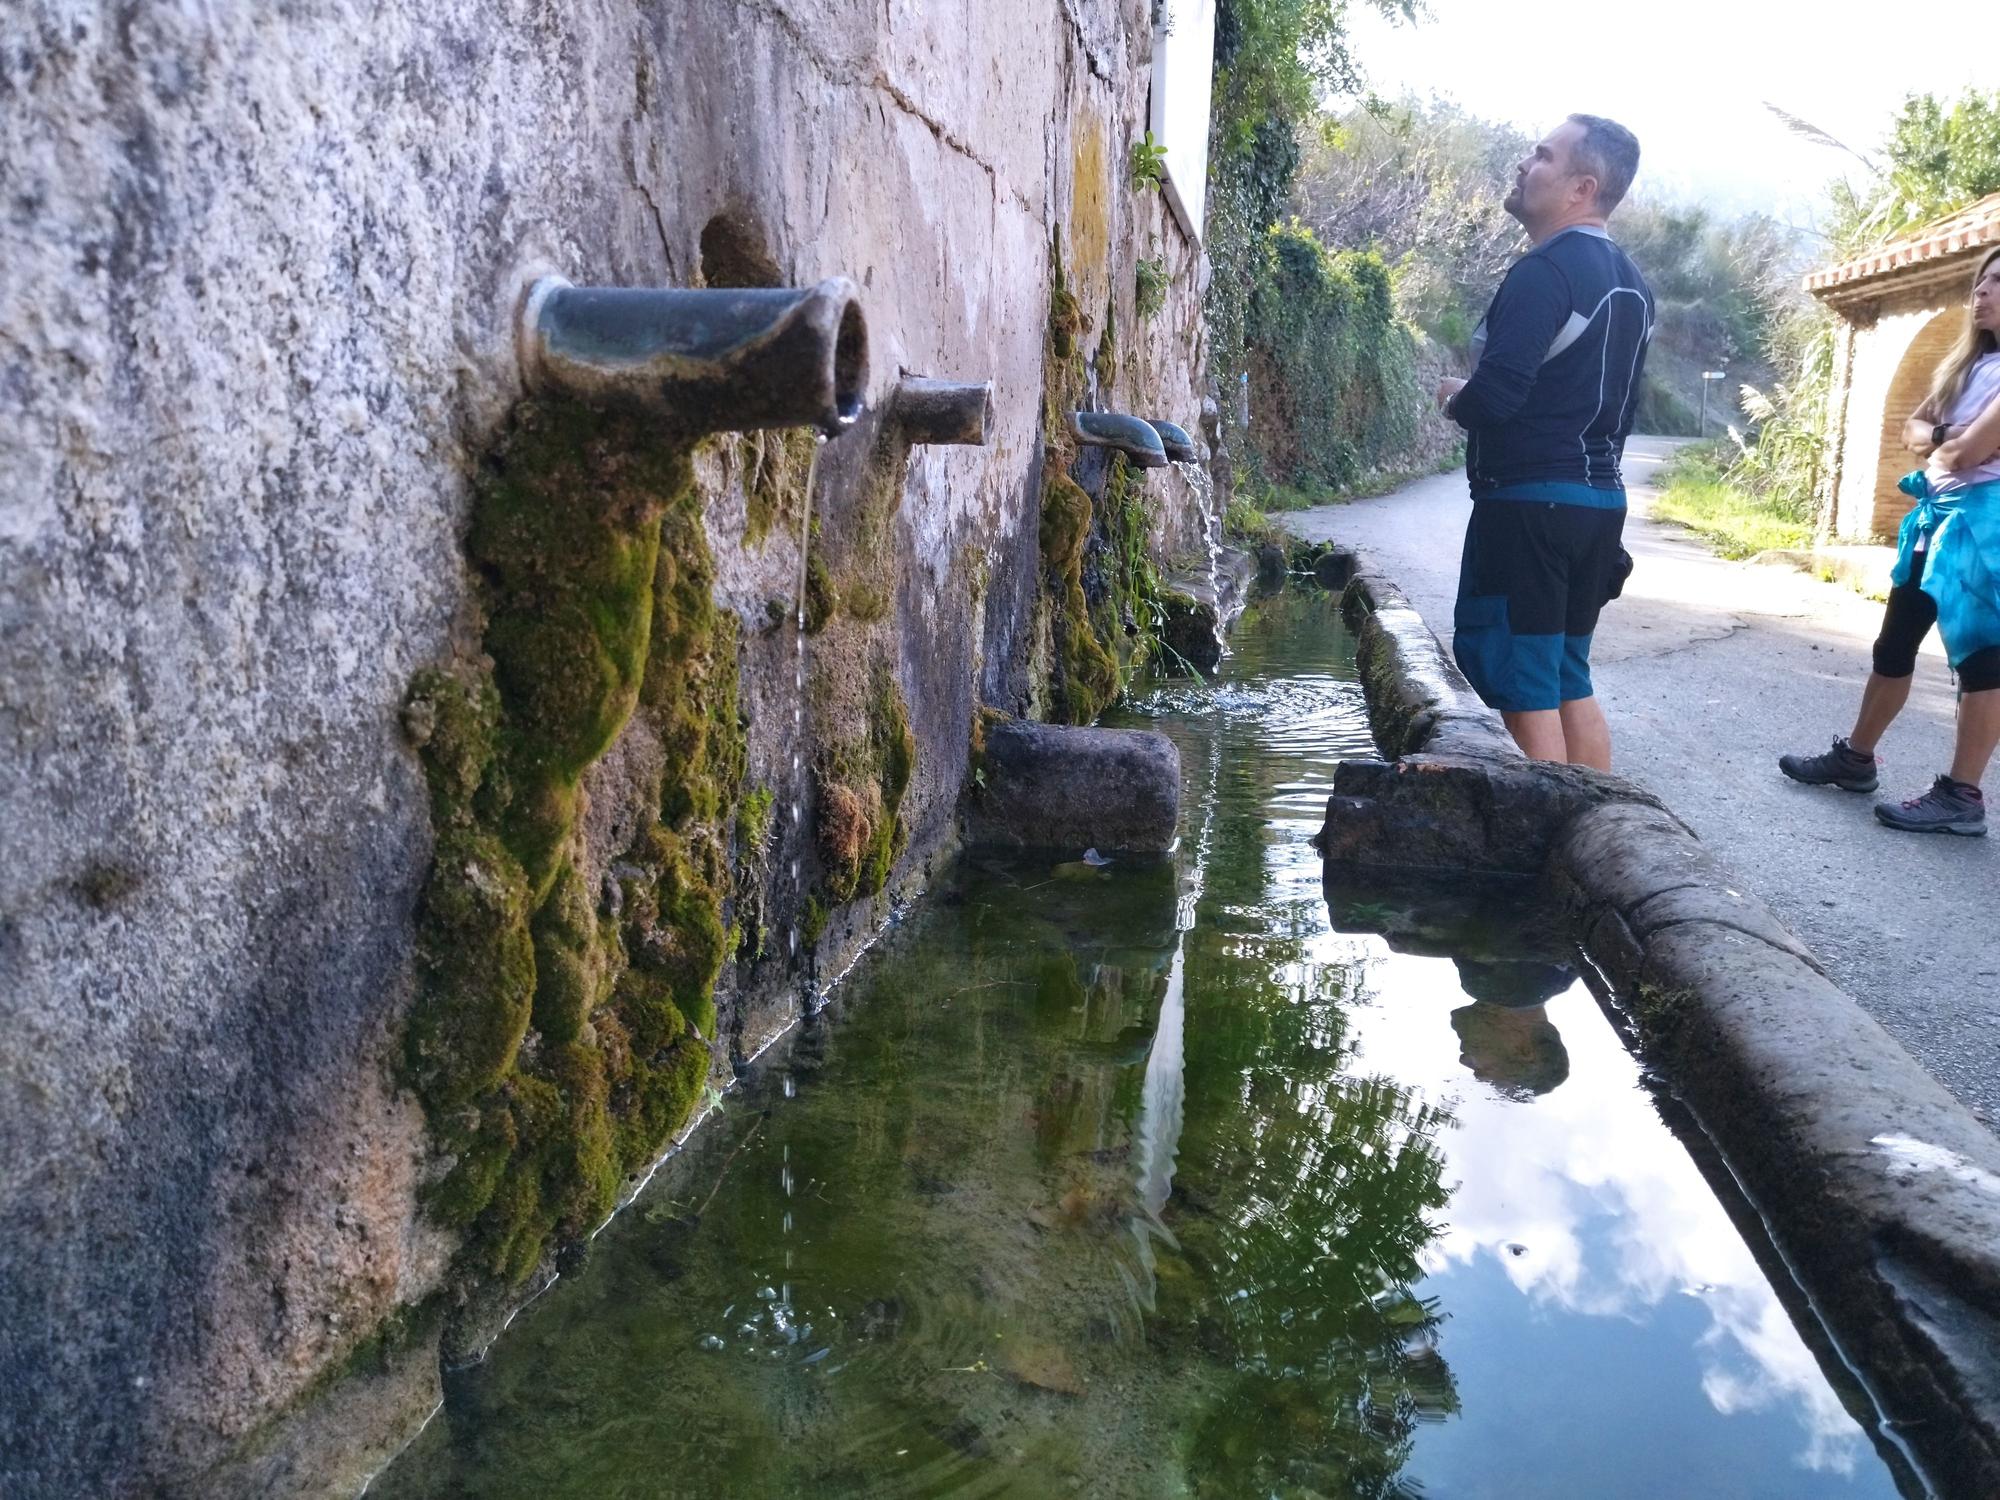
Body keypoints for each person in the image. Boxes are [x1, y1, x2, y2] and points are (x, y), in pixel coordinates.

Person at [1434, 115, 1655, 770]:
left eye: (1542, 156)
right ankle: (1604, 821)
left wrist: (1455, 396)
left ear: (1581, 188)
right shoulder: (1634, 284)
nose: (1524, 164)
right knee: (1565, 677)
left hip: (1531, 506)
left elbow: (1498, 398)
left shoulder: (1545, 273)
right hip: (1597, 507)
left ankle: (1548, 838)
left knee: (1523, 682)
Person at [1779, 246, 2000, 835]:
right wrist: (1948, 435)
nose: (1981, 293)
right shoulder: (1966, 366)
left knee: (1983, 660)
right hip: (1939, 517)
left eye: (1996, 284)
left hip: (1986, 524)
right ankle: (1856, 759)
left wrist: (1946, 439)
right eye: (1980, 283)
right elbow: (1915, 430)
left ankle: (1963, 795)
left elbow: (1963, 454)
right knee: (1895, 642)